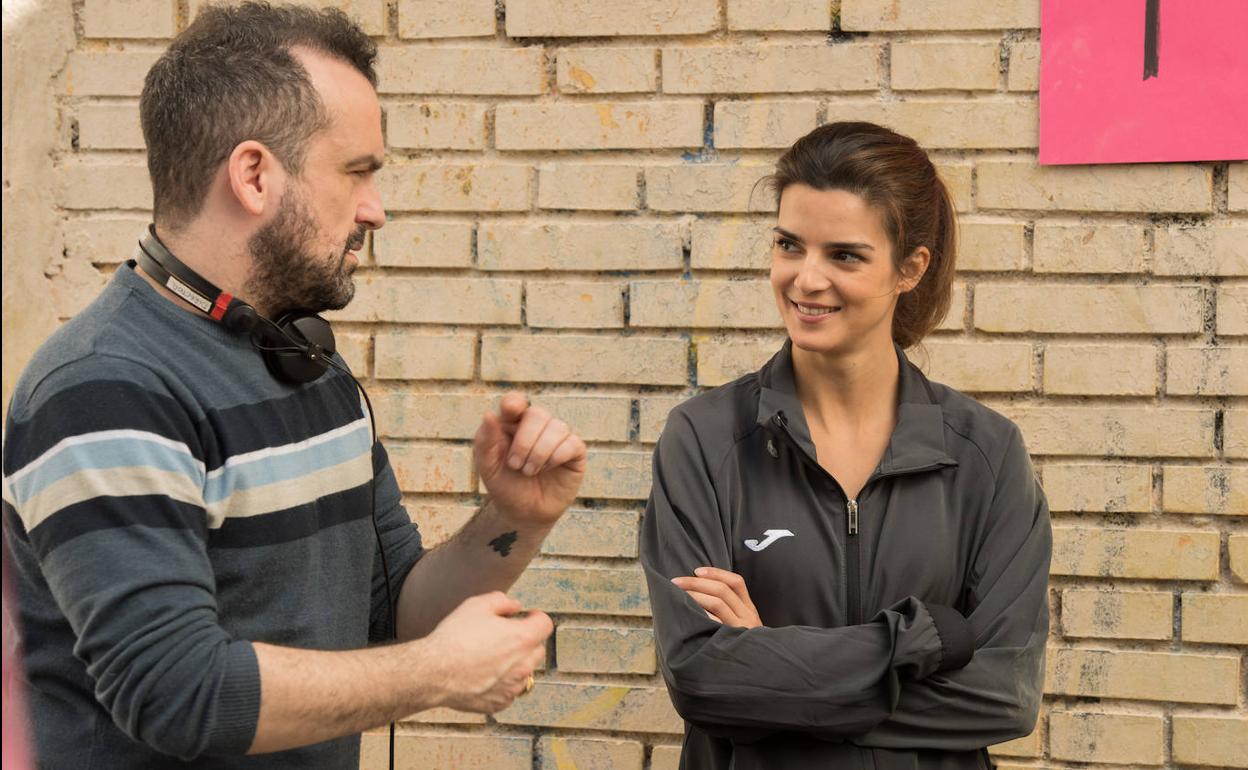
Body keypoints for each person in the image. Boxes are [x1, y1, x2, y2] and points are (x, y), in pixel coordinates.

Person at [1, 3, 587, 767]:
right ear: (253, 175)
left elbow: (396, 613)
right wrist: (441, 674)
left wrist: (512, 517)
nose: (376, 209)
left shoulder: (304, 361)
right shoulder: (103, 389)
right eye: (356, 172)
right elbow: (177, 693)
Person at [641, 122, 1051, 769]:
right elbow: (701, 676)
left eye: (844, 255)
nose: (805, 280)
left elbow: (1003, 695)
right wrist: (912, 646)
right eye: (789, 245)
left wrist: (768, 659)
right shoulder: (704, 441)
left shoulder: (986, 457)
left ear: (908, 269)